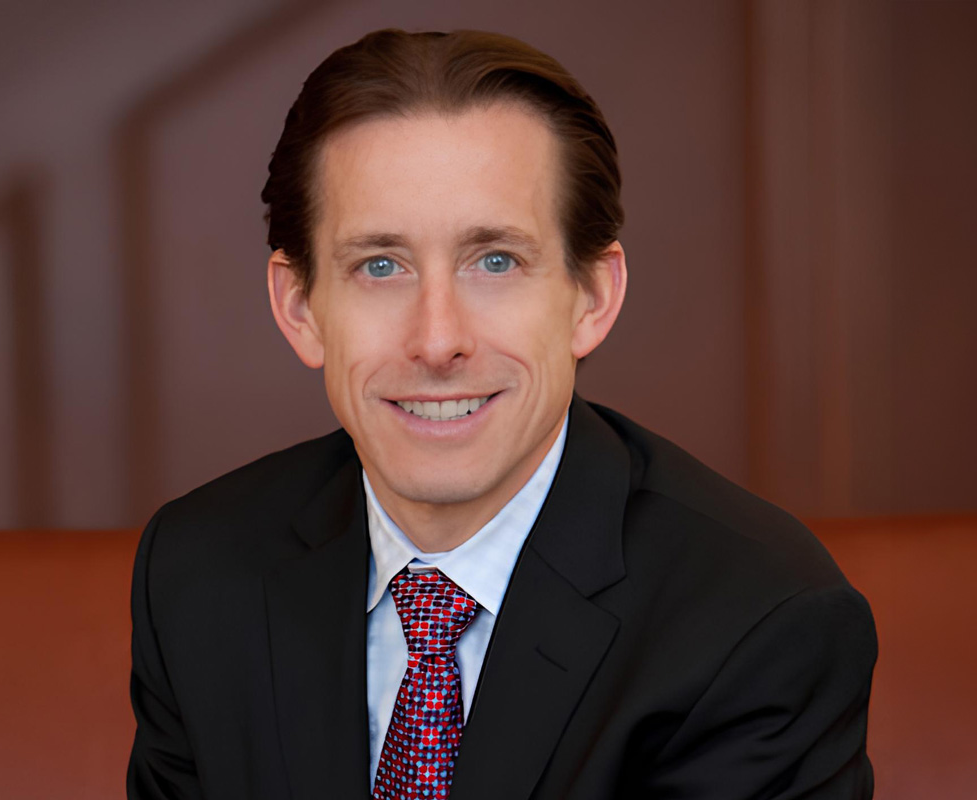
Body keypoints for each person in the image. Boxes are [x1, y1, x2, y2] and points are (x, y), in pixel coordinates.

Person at [127, 28, 877, 800]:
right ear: (300, 307)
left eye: (495, 261)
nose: (437, 340)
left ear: (592, 296)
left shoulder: (758, 620)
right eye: (380, 266)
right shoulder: (197, 574)